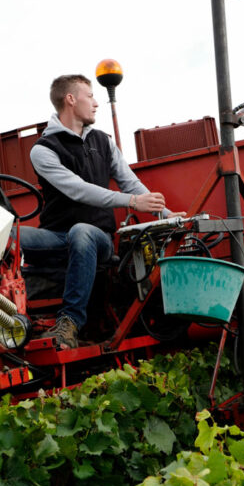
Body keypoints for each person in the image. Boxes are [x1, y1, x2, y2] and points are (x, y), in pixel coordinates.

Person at [20, 74, 179, 349]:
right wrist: (131, 202)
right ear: (71, 99)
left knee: (82, 232)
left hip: (98, 240)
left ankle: (68, 324)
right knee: (7, 236)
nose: (96, 103)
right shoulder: (43, 150)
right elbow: (77, 189)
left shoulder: (104, 142)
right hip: (57, 237)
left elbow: (130, 181)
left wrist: (166, 214)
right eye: (90, 96)